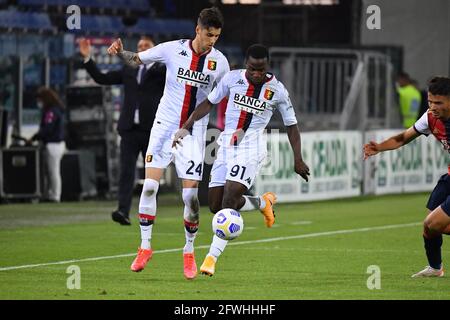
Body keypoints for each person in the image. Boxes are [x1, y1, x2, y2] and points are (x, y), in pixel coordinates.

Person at [107, 7, 230, 279]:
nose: (212, 40)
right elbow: (136, 60)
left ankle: (188, 251)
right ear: (197, 29)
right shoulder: (173, 49)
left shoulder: (220, 62)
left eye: (217, 36)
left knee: (189, 197)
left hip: (194, 132)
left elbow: (221, 98)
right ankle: (145, 247)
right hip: (163, 127)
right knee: (150, 187)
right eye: (209, 34)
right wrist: (120, 52)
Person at [173, 44, 310, 276]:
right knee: (215, 206)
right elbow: (209, 103)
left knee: (229, 199)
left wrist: (298, 158)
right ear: (246, 63)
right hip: (226, 145)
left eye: (261, 69)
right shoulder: (231, 79)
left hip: (251, 150)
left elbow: (292, 126)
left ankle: (211, 258)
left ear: (267, 65)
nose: (256, 74)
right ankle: (263, 203)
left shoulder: (277, 90)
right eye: (252, 69)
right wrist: (187, 125)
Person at [364, 76, 450, 278]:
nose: (433, 106)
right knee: (429, 228)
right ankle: (435, 268)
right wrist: (379, 147)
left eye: (438, 102)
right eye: (430, 101)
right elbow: (404, 137)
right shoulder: (430, 117)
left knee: (435, 222)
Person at [79, 36, 166, 226]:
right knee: (126, 171)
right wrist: (88, 59)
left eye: (146, 46)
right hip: (129, 130)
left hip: (152, 131)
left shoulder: (163, 72)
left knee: (151, 175)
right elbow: (102, 78)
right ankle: (122, 211)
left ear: (154, 50)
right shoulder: (129, 71)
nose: (142, 48)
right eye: (140, 46)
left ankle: (149, 213)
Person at [29, 87, 66, 203]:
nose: (39, 102)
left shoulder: (51, 111)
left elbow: (47, 129)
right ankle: (49, 193)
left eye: (40, 99)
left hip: (54, 144)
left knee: (53, 171)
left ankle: (55, 195)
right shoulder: (54, 110)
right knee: (49, 172)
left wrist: (34, 137)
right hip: (54, 144)